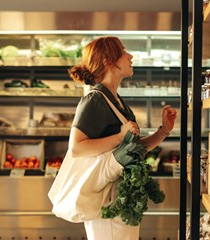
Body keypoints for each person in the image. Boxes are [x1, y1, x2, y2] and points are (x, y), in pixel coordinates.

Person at [68, 36, 177, 240]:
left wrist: (163, 131)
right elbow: (76, 148)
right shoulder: (94, 100)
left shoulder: (115, 100)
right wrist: (120, 136)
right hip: (106, 199)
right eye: (124, 51)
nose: (130, 56)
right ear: (108, 61)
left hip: (120, 198)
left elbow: (132, 149)